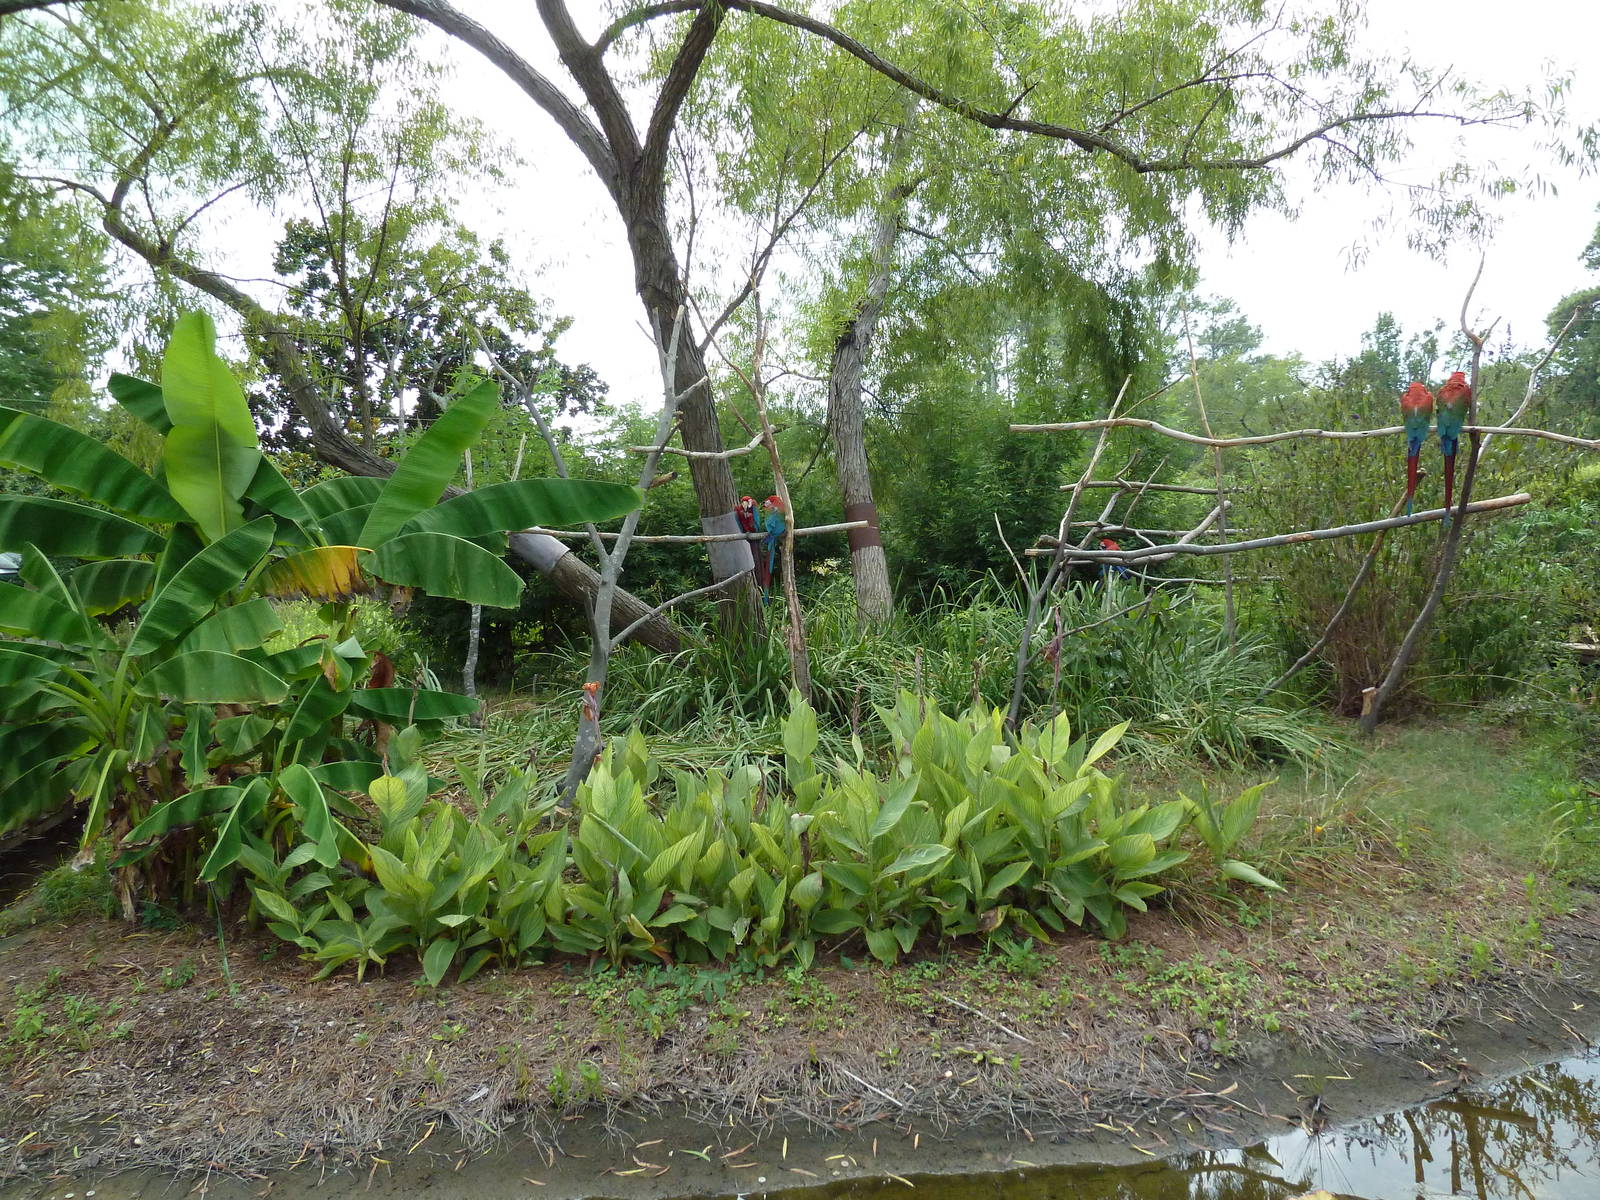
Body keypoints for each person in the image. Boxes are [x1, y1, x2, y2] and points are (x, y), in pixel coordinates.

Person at [736, 495, 769, 587]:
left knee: (757, 557)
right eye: (743, 502)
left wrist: (754, 531)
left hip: (755, 532)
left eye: (747, 501)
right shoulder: (738, 510)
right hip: (746, 534)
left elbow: (756, 522)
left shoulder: (753, 506)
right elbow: (740, 523)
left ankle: (761, 584)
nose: (745, 504)